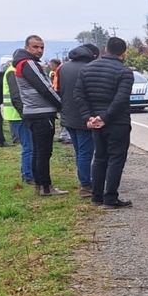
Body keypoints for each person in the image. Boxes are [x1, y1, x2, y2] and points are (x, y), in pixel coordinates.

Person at [75, 36, 135, 208]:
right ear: (123, 53)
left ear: (106, 50)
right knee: (116, 159)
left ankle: (96, 196)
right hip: (117, 122)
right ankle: (110, 197)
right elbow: (121, 98)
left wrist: (90, 117)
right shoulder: (124, 72)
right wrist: (105, 118)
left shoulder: (86, 69)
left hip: (94, 122)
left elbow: (78, 95)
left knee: (100, 158)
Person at [13, 35, 66, 196]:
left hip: (34, 112)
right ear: (26, 48)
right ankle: (45, 187)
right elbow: (45, 88)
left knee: (38, 151)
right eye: (35, 47)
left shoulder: (23, 64)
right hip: (41, 113)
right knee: (43, 152)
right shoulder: (29, 64)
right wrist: (62, 105)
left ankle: (40, 186)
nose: (39, 50)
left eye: (42, 47)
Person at [56, 44, 100, 198]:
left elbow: (57, 90)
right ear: (92, 55)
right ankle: (86, 186)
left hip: (68, 116)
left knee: (79, 151)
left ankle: (84, 180)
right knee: (86, 153)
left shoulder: (62, 68)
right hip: (84, 116)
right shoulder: (89, 68)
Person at [2, 49, 34, 184]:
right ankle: (29, 175)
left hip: (15, 114)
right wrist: (25, 114)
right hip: (18, 115)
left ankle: (26, 172)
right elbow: (16, 96)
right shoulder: (13, 72)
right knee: (29, 146)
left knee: (28, 145)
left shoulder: (10, 70)